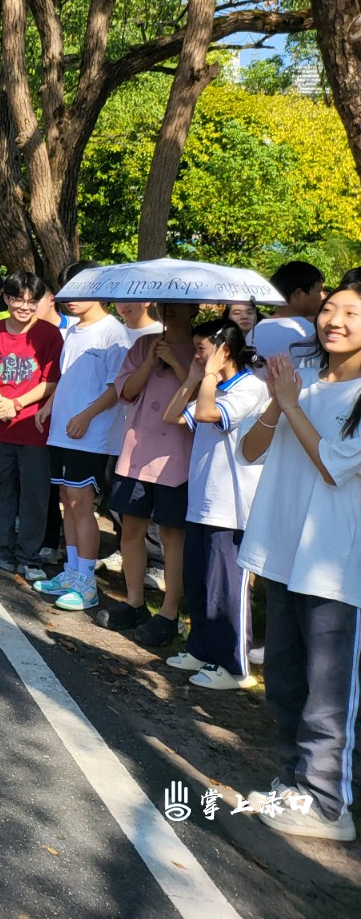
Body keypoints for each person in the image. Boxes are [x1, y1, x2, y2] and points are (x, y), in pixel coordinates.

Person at [235, 286, 361, 842]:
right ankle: (295, 782)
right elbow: (249, 451)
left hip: (335, 564)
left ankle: (329, 803)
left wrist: (290, 403)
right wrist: (276, 399)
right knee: (284, 680)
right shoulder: (303, 379)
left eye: (352, 314)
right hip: (285, 552)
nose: (334, 320)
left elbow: (334, 466)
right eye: (330, 309)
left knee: (328, 692)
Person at [159, 321, 267, 689]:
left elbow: (207, 415)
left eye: (202, 349)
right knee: (199, 582)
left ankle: (236, 667)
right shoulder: (212, 384)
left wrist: (206, 376)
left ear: (225, 351)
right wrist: (192, 377)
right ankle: (202, 649)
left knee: (226, 588)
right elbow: (173, 416)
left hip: (232, 506)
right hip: (202, 501)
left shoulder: (251, 387)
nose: (197, 355)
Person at [98, 302, 200, 646]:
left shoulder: (204, 349)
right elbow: (126, 391)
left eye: (177, 307)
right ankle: (135, 601)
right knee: (131, 529)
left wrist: (176, 362)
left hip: (178, 457)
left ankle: (169, 613)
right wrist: (150, 362)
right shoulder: (144, 345)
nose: (168, 312)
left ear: (194, 310)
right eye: (164, 307)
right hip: (137, 452)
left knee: (173, 536)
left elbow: (203, 396)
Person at [34, 263, 127, 611]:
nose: (70, 299)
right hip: (63, 429)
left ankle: (87, 583)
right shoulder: (72, 331)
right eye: (67, 290)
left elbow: (116, 387)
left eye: (79, 289)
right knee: (65, 498)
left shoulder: (113, 332)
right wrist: (49, 407)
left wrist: (86, 416)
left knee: (81, 502)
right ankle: (72, 571)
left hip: (91, 434)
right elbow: (69, 378)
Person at [0, 272, 63, 580]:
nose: (24, 306)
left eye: (31, 301)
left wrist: (16, 403)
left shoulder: (49, 334)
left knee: (34, 493)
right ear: (6, 299)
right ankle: (0, 549)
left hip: (34, 427)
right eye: (18, 299)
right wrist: (0, 402)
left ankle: (28, 556)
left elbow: (51, 380)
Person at [254, 261, 325, 364]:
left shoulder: (254, 332)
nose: (323, 297)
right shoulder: (313, 332)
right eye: (319, 291)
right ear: (299, 293)